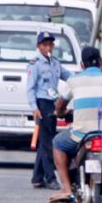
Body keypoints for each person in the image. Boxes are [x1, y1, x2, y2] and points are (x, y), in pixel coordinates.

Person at [49, 46, 102, 203]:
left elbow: (60, 105)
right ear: (100, 62)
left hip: (81, 135)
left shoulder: (74, 80)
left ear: (82, 64)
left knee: (58, 142)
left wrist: (60, 112)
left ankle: (67, 189)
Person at [26, 31, 72, 190]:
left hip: (53, 103)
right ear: (38, 46)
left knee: (46, 140)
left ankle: (37, 178)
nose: (48, 48)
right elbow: (30, 88)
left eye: (50, 44)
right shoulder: (35, 64)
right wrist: (34, 108)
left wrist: (84, 78)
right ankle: (50, 177)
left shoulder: (55, 63)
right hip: (42, 104)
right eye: (44, 45)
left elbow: (68, 76)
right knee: (47, 143)